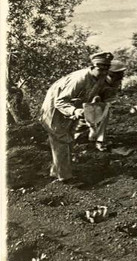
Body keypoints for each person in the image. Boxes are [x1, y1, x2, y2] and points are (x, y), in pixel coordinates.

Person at [39, 52, 113, 183]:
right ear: (92, 66)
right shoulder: (80, 78)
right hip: (54, 109)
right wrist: (75, 111)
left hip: (72, 108)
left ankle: (56, 172)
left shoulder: (100, 78)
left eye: (106, 68)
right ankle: (65, 179)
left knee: (68, 137)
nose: (103, 72)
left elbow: (92, 94)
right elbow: (60, 102)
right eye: (100, 68)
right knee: (60, 138)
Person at [81, 59, 126, 152]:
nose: (120, 76)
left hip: (99, 102)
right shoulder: (95, 79)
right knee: (82, 122)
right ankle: (82, 139)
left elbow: (109, 96)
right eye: (117, 74)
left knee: (104, 112)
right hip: (84, 103)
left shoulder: (115, 82)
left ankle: (99, 141)